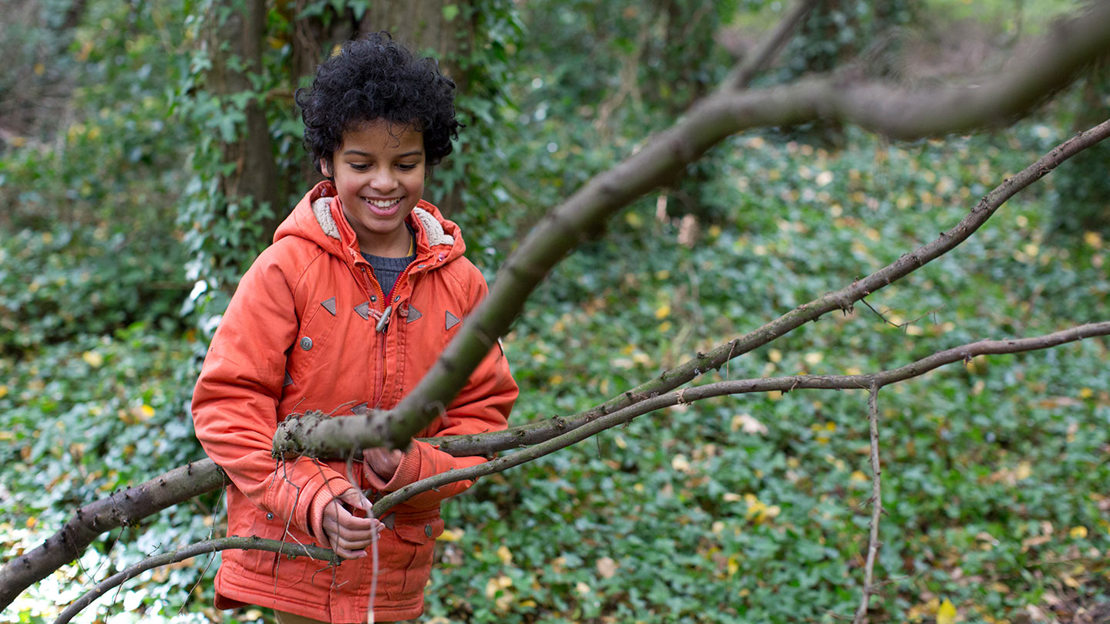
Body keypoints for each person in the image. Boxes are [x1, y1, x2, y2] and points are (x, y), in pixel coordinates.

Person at [191, 32, 518, 624]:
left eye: (406, 164)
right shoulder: (286, 269)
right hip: (291, 564)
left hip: (395, 571)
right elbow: (228, 403)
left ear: (430, 159)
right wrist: (312, 499)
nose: (385, 183)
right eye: (361, 164)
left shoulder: (462, 284)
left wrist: (414, 467)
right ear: (327, 161)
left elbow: (484, 417)